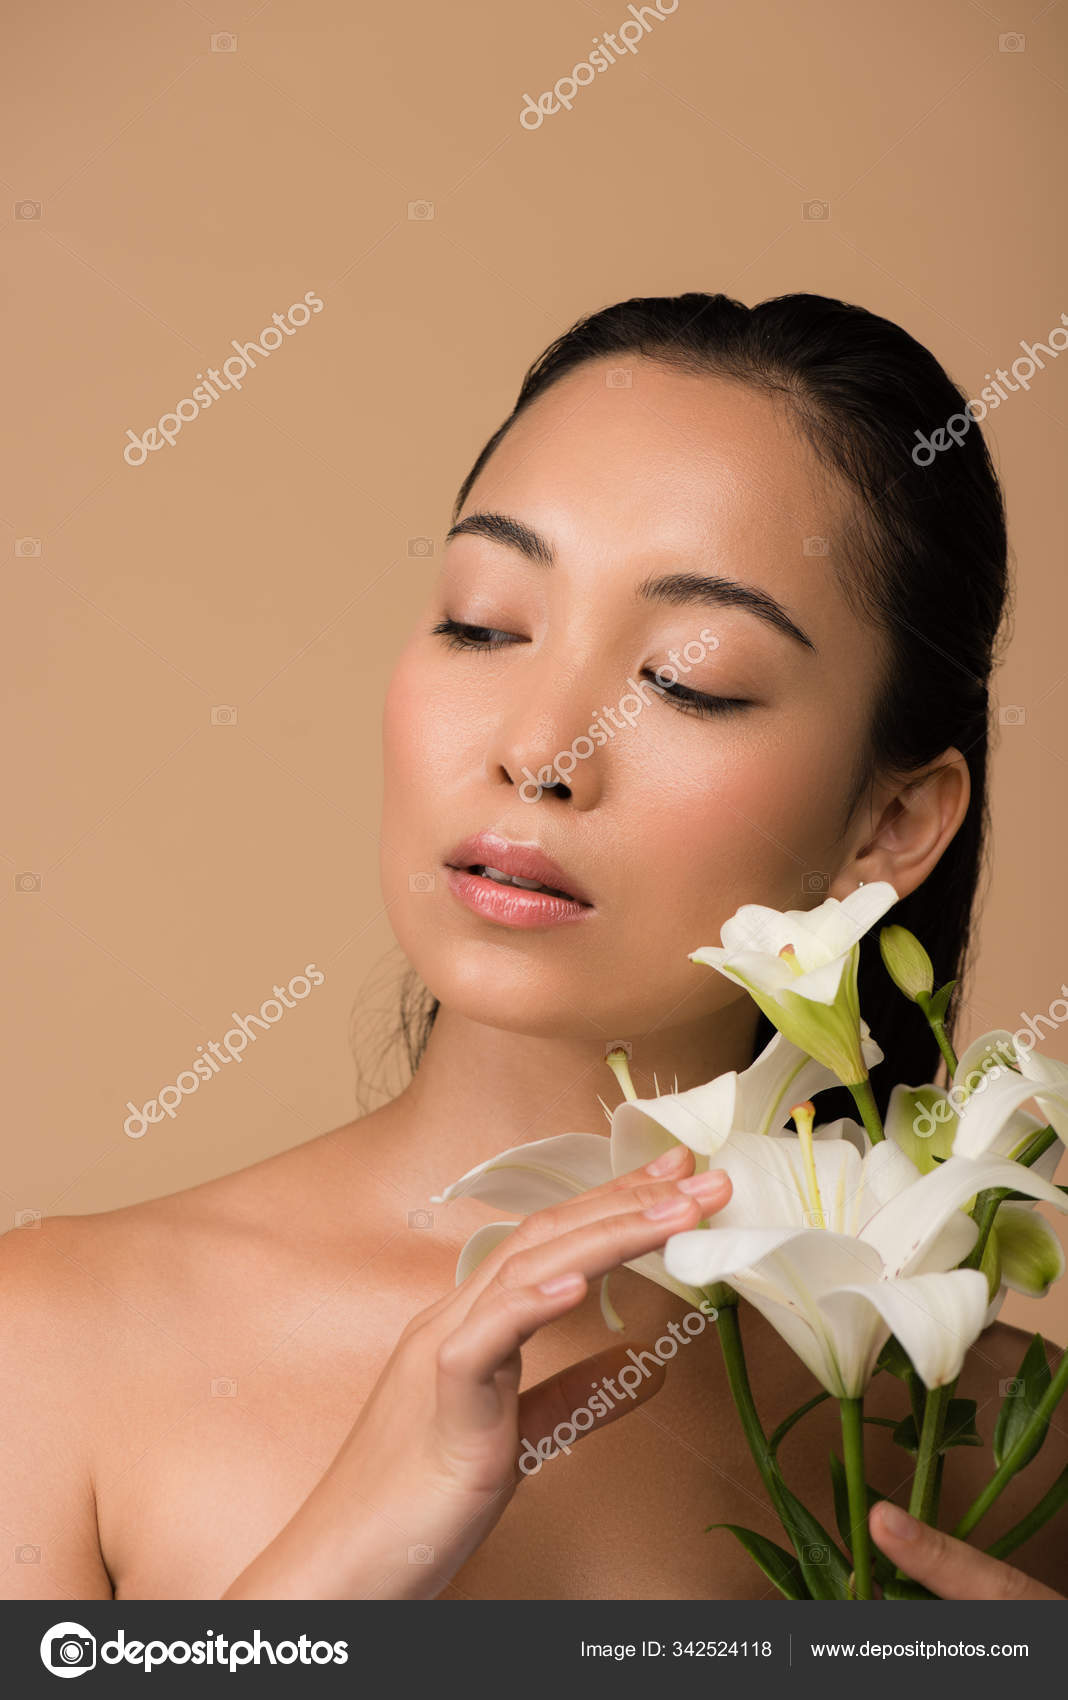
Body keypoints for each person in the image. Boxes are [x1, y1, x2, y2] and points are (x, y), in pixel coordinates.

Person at [3, 292, 1064, 1602]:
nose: (538, 745)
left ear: (892, 822)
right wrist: (335, 1573)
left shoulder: (1005, 1443)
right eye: (483, 620)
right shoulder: (52, 1341)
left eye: (689, 678)